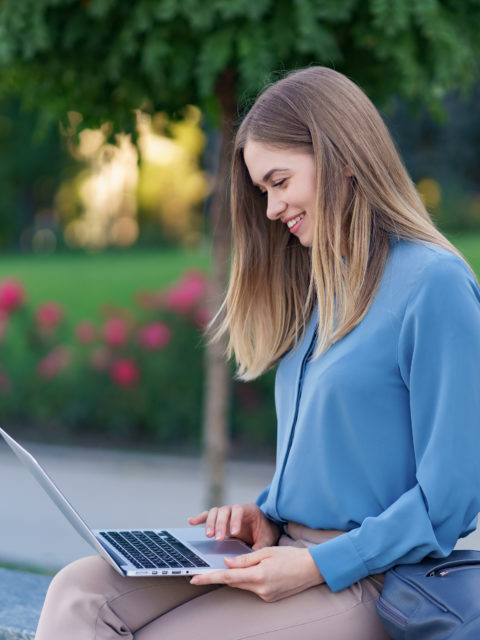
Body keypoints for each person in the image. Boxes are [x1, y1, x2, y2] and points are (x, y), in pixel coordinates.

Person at [35, 66, 480, 640]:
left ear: (341, 156)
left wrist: (319, 563)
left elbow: (452, 499)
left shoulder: (433, 284)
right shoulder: (322, 286)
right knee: (80, 590)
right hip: (284, 550)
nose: (270, 209)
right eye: (262, 190)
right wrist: (266, 515)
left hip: (372, 578)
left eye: (279, 181)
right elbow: (338, 450)